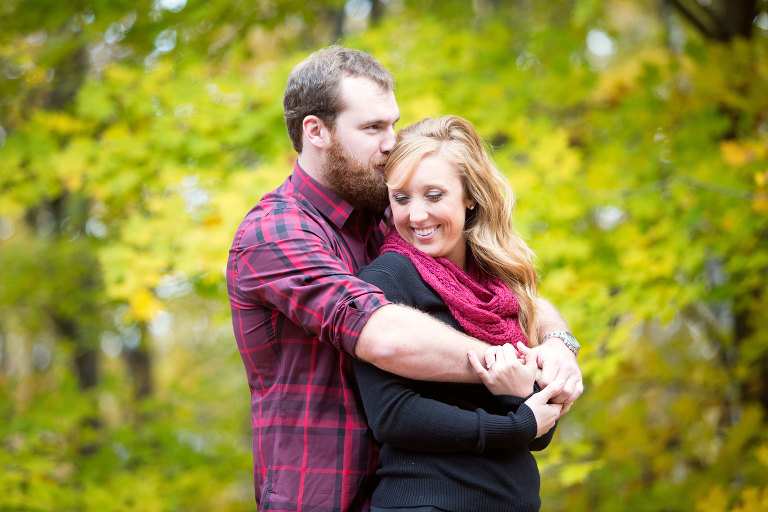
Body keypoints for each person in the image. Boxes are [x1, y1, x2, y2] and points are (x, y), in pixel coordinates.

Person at [226, 45, 583, 511]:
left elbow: (500, 293)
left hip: (404, 487)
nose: (392, 141)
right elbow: (383, 335)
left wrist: (556, 343)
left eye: (393, 123)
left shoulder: (389, 220)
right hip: (322, 496)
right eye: (373, 127)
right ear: (316, 131)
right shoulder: (275, 233)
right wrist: (511, 363)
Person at [354, 115, 562, 511]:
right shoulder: (387, 279)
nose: (416, 216)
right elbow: (392, 416)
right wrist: (514, 424)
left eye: (434, 196)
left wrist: (521, 393)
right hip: (427, 502)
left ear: (470, 195)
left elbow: (541, 433)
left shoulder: (498, 284)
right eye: (401, 198)